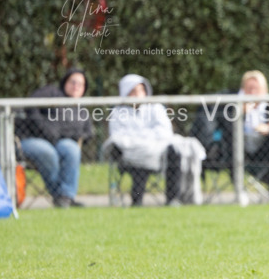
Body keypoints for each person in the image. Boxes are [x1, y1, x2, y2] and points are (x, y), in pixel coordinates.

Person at [104, 74, 206, 206]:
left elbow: (164, 132)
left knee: (174, 150)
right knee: (140, 156)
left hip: (158, 151)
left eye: (141, 90)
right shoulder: (118, 113)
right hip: (133, 155)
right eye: (133, 91)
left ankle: (173, 199)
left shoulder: (156, 108)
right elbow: (120, 137)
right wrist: (145, 140)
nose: (138, 94)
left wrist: (142, 138)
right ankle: (137, 201)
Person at [16, 68, 93, 207]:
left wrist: (72, 135)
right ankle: (59, 196)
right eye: (73, 82)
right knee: (48, 152)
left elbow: (87, 133)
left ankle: (67, 197)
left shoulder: (82, 110)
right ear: (65, 82)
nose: (76, 86)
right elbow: (30, 105)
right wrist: (44, 127)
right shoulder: (52, 93)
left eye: (80, 84)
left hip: (59, 143)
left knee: (72, 149)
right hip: (31, 139)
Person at [239, 70, 269, 206]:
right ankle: (240, 192)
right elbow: (227, 132)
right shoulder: (234, 106)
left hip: (262, 151)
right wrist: (241, 115)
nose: (253, 92)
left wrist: (267, 130)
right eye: (249, 89)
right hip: (241, 151)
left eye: (256, 88)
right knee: (230, 146)